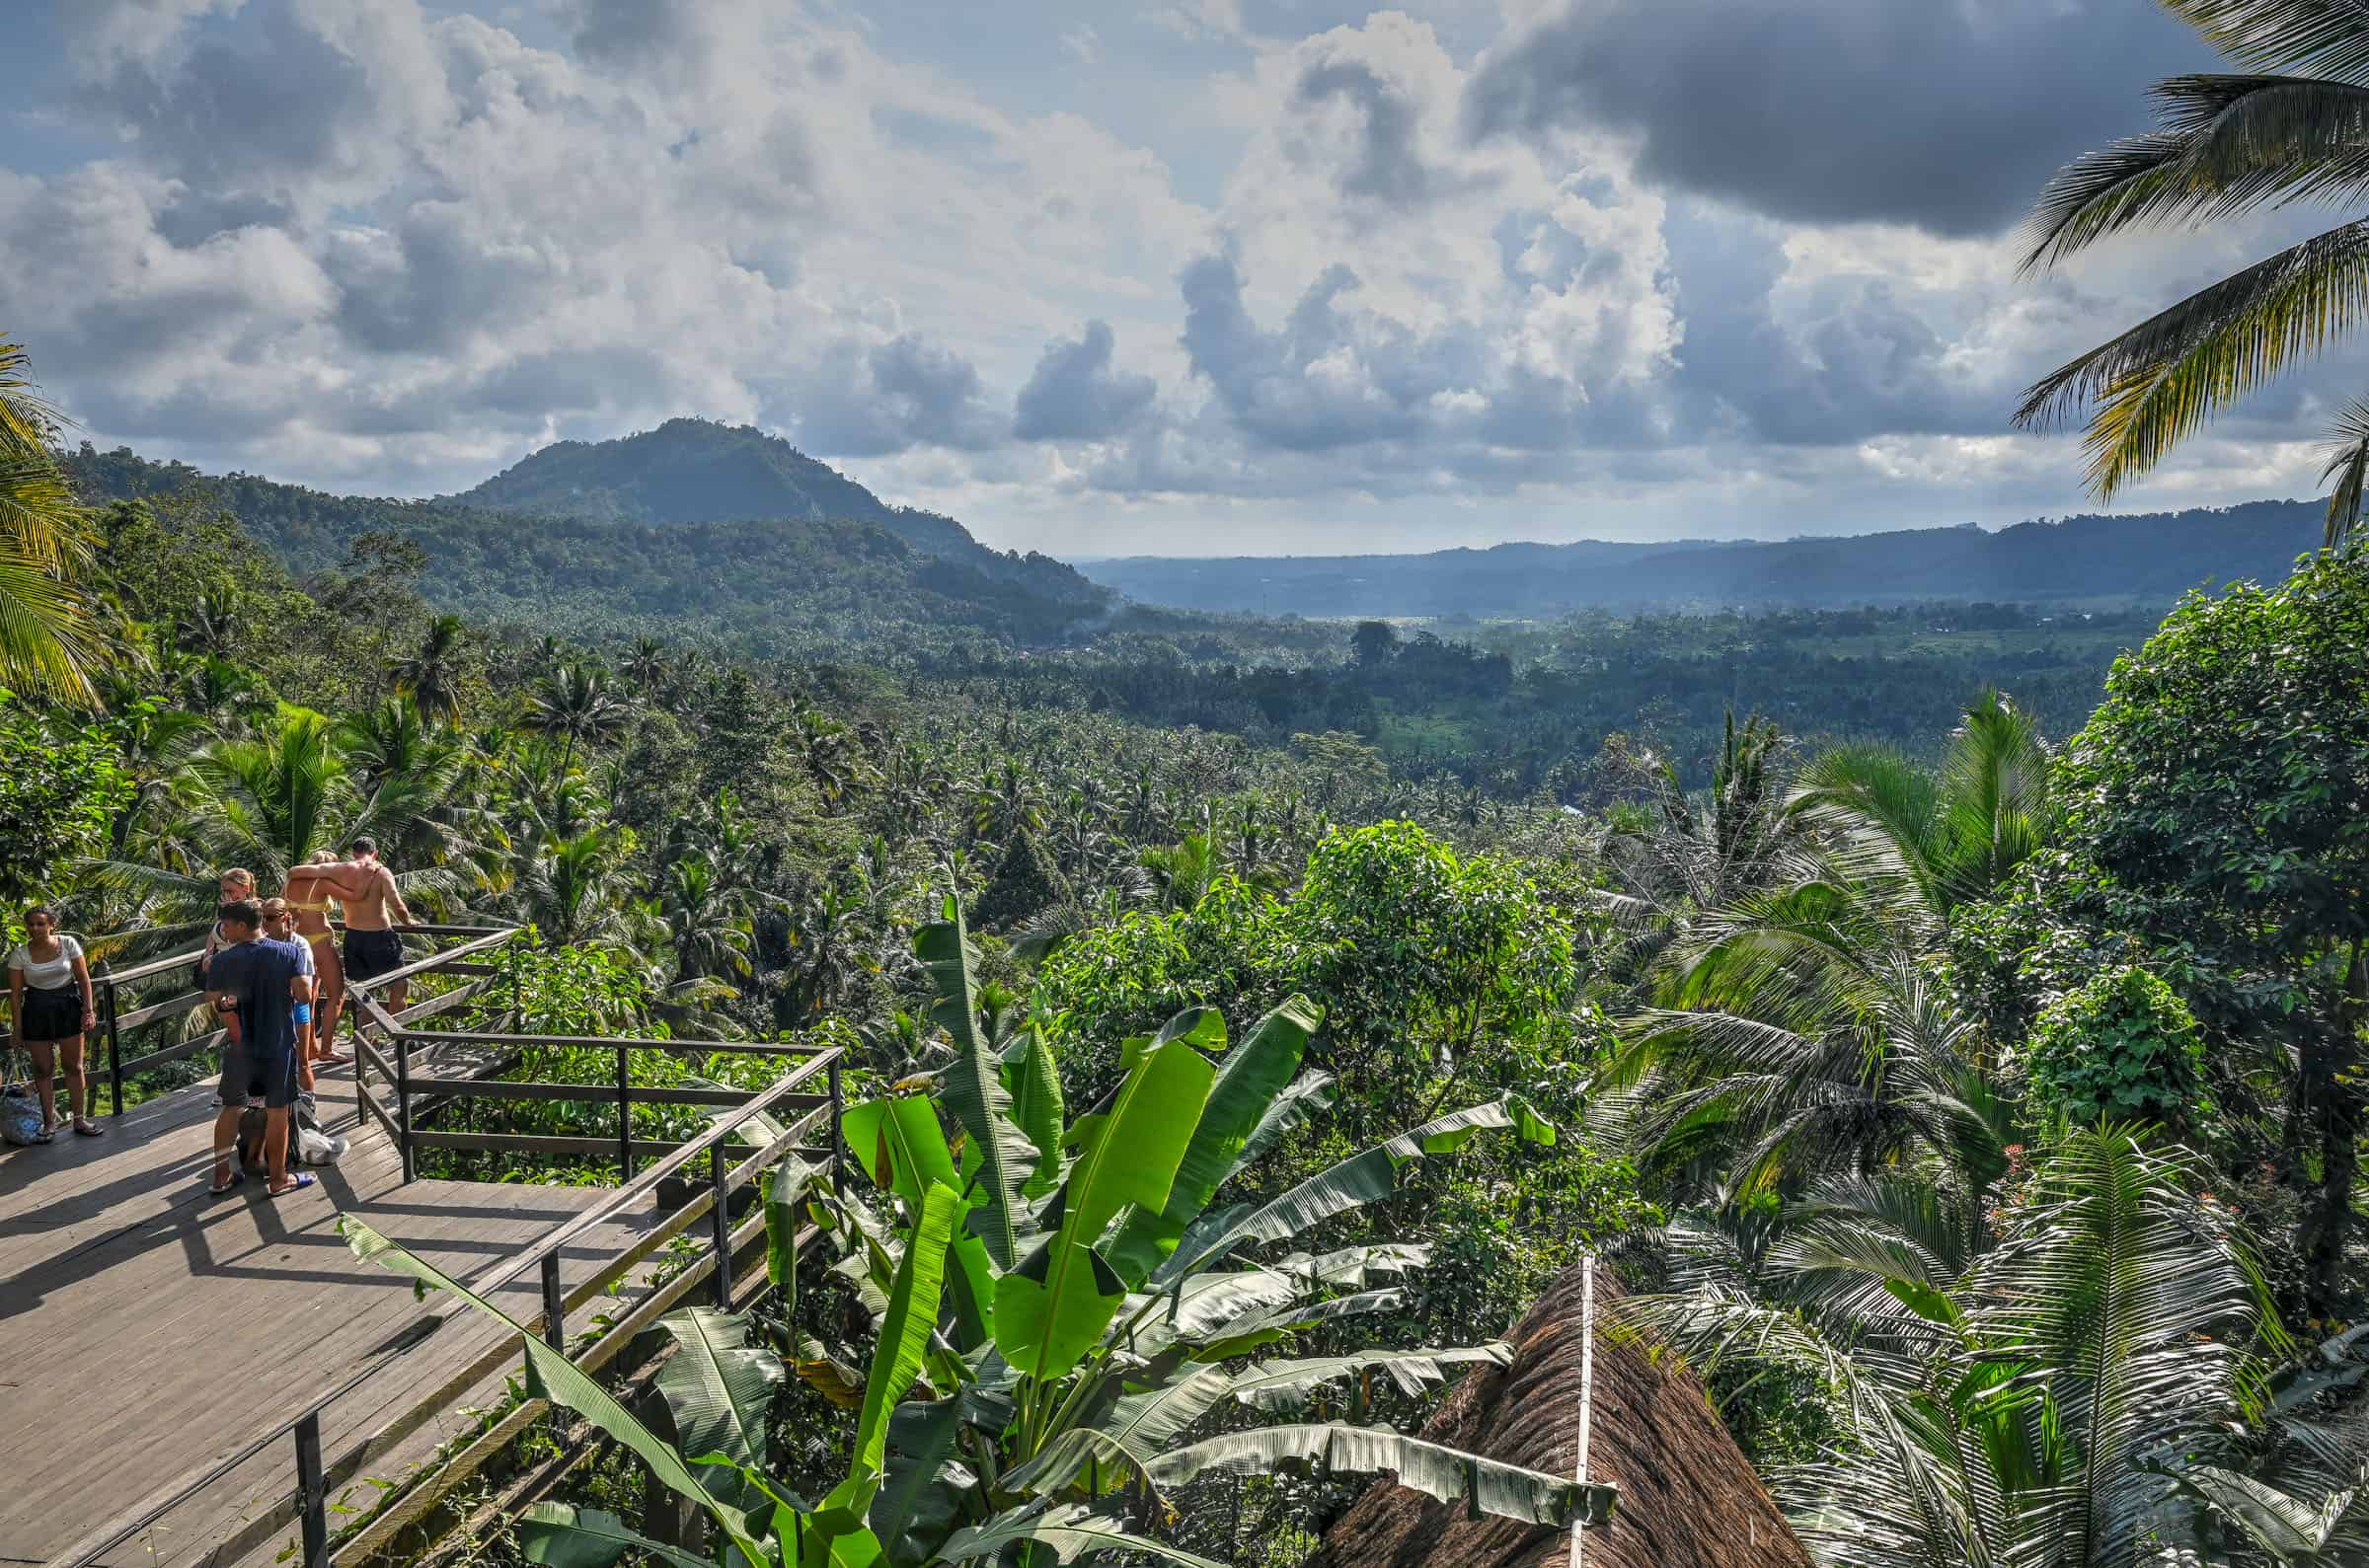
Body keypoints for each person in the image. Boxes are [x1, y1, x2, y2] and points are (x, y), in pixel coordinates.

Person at [205, 899, 315, 1197]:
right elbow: (304, 996)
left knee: (232, 1108)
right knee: (278, 1112)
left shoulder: (223, 960)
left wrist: (229, 1000)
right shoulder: (289, 952)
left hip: (242, 1046)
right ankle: (278, 1180)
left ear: (241, 926)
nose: (223, 931)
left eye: (226, 925)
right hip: (278, 1043)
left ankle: (221, 1176)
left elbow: (214, 999)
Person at [6, 907, 99, 1141]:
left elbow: (83, 979)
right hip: (36, 1010)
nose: (35, 928)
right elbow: (16, 995)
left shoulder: (68, 944)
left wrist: (88, 1011)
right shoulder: (20, 954)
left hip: (67, 1006)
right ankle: (49, 1123)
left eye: (40, 923)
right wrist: (17, 1029)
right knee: (43, 1069)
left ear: (51, 925)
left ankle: (80, 1119)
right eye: (31, 924)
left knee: (74, 1066)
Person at [282, 852, 370, 1066]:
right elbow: (356, 895)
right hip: (320, 943)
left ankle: (310, 1047)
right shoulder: (322, 882)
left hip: (296, 944)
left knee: (307, 998)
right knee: (336, 994)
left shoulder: (290, 882)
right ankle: (327, 1049)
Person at [337, 839, 415, 1051]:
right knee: (398, 986)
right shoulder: (380, 872)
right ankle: (400, 1039)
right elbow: (395, 901)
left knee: (364, 992)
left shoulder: (343, 873)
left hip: (353, 937)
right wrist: (407, 921)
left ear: (354, 854)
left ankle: (366, 1040)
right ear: (375, 853)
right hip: (379, 937)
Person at [198, 867, 258, 984]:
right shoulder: (224, 910)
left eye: (230, 891)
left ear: (245, 889)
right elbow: (213, 935)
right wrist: (208, 956)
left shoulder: (257, 911)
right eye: (224, 891)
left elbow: (252, 942)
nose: (226, 895)